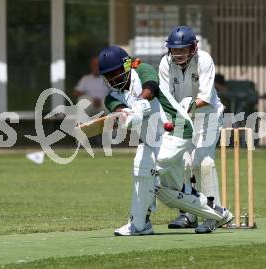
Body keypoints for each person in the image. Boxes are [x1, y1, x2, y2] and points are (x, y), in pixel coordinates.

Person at [99, 45, 232, 236]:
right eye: (108, 75)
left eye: (115, 72)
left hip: (177, 129)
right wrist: (123, 116)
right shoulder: (111, 97)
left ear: (127, 65)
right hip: (153, 140)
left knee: (144, 168)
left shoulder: (142, 70)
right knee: (170, 192)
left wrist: (138, 106)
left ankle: (139, 224)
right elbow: (120, 109)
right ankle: (219, 214)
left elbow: (150, 87)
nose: (112, 78)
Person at [158, 26, 229, 233]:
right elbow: (165, 95)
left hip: (208, 113)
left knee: (203, 162)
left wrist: (186, 107)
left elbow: (205, 97)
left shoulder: (204, 60)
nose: (178, 54)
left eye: (183, 50)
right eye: (174, 50)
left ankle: (214, 215)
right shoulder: (165, 62)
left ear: (193, 47)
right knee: (183, 163)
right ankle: (189, 215)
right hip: (181, 115)